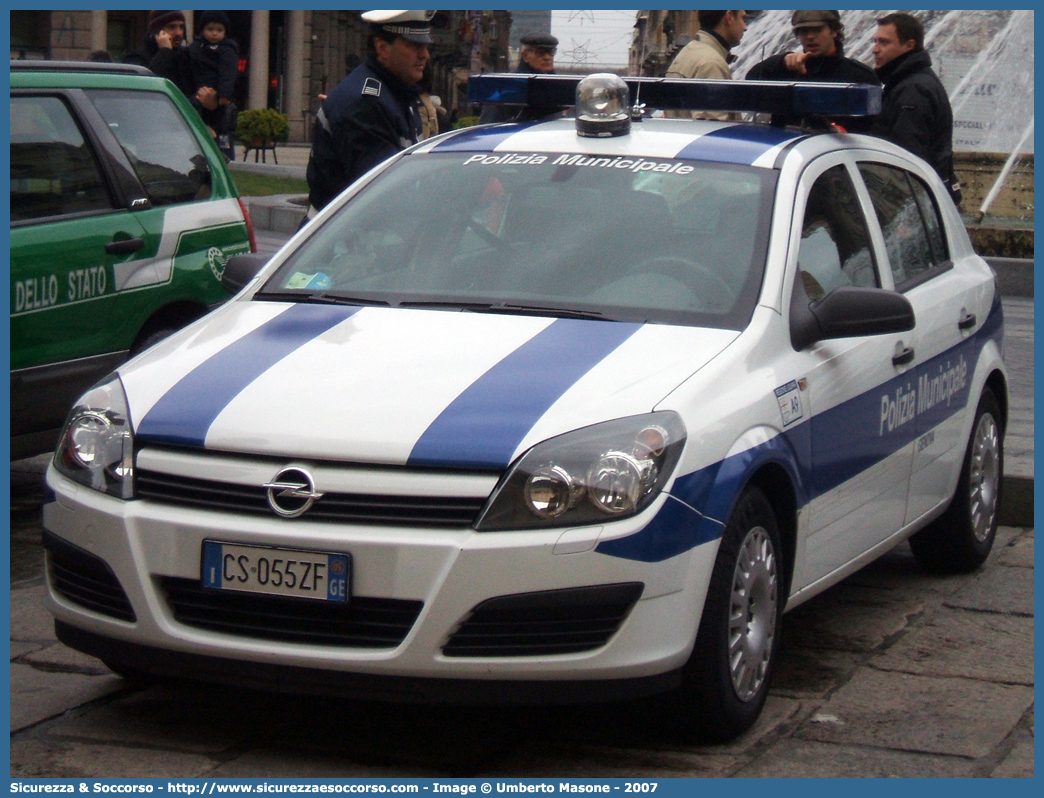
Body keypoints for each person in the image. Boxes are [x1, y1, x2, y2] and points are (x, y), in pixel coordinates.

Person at [304, 10, 434, 218]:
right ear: (382, 48)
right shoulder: (365, 103)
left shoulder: (397, 93)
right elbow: (382, 193)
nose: (424, 55)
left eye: (425, 46)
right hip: (344, 240)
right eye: (414, 45)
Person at [869, 12, 962, 205]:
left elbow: (907, 154)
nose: (875, 49)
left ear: (909, 45)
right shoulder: (907, 82)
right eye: (875, 41)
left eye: (884, 43)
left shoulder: (913, 89)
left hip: (915, 201)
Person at [745, 10, 879, 132]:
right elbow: (750, 83)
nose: (810, 36)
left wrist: (844, 131)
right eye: (803, 31)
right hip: (788, 150)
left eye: (817, 30)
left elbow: (874, 127)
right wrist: (781, 62)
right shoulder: (786, 69)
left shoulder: (859, 76)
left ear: (834, 31)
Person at [123, 11, 220, 124]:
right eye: (171, 27)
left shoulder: (189, 57)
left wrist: (212, 104)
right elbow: (148, 92)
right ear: (157, 31)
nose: (178, 32)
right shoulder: (136, 58)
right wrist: (165, 52)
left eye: (181, 27)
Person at [665, 11, 747, 120]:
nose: (745, 27)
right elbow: (712, 131)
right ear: (729, 17)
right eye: (742, 18)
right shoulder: (711, 64)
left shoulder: (690, 52)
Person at [188, 10, 239, 160]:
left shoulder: (227, 50)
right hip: (199, 89)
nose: (214, 34)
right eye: (210, 29)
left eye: (219, 30)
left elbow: (228, 74)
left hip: (216, 91)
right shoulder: (196, 47)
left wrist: (224, 94)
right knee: (192, 109)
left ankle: (222, 149)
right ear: (202, 30)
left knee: (222, 123)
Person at [479, 33, 562, 124]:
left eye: (551, 52)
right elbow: (488, 127)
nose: (547, 57)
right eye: (540, 52)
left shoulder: (557, 87)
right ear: (525, 55)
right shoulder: (505, 87)